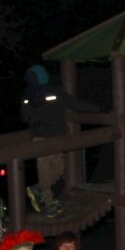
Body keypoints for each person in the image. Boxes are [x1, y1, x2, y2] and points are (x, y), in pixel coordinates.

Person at [21, 63, 97, 216]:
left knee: (52, 169)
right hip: (51, 137)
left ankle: (39, 190)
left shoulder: (28, 95)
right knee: (51, 169)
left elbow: (24, 117)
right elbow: (74, 104)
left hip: (43, 138)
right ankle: (48, 204)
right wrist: (97, 109)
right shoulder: (53, 91)